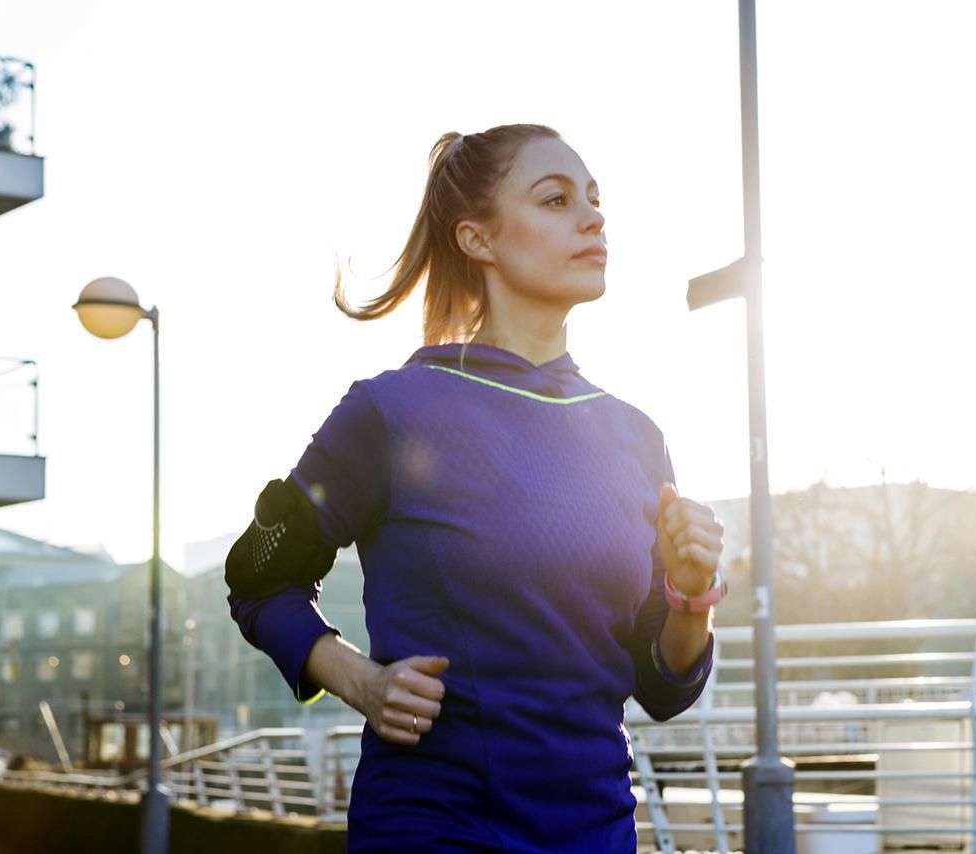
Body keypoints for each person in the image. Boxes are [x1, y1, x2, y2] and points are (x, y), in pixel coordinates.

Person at [225, 123, 726, 853]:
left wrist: (692, 594)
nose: (592, 217)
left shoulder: (634, 436)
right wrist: (358, 680)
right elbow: (258, 576)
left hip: (598, 831)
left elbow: (664, 685)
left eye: (594, 199)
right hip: (436, 827)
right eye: (555, 200)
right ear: (477, 240)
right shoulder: (392, 410)